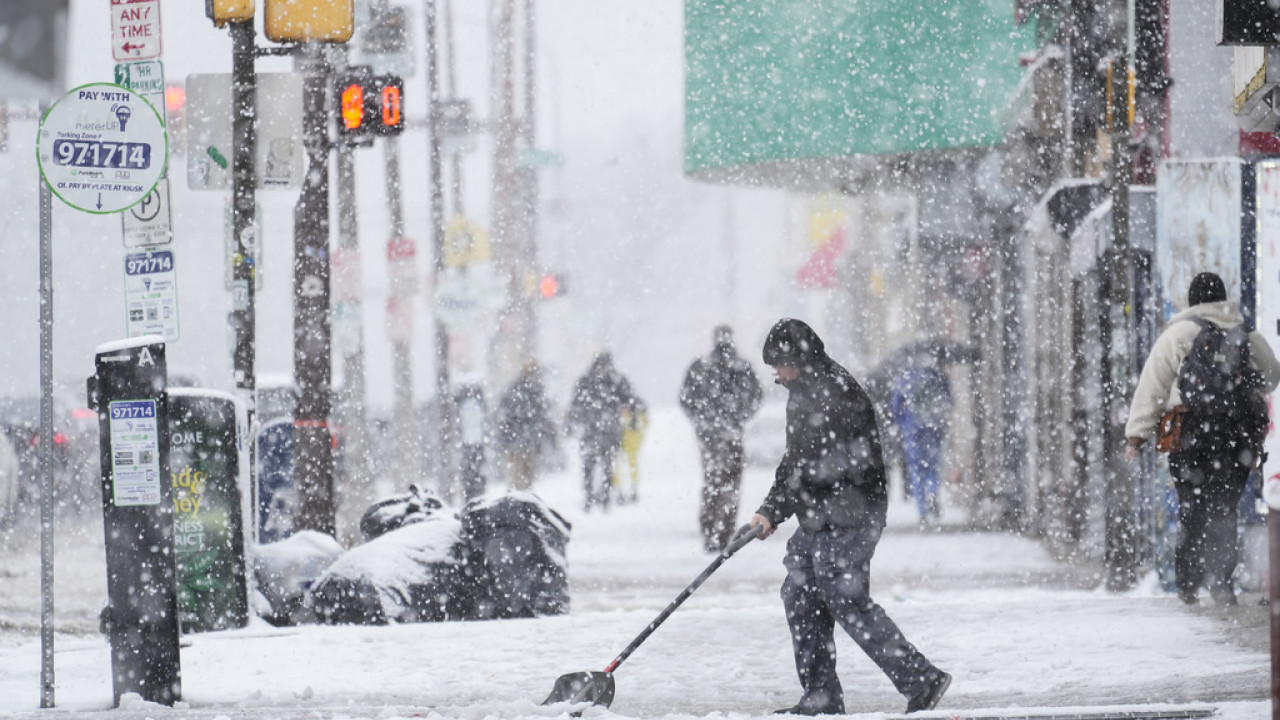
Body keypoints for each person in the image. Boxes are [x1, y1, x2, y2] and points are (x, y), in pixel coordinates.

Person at [749, 318, 951, 715]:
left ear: (797, 358)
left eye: (779, 363)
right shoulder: (807, 389)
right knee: (801, 595)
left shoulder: (831, 392)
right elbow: (796, 463)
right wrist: (771, 509)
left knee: (846, 599)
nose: (777, 372)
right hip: (821, 514)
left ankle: (921, 679)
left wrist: (774, 509)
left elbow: (814, 467)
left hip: (849, 514)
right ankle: (821, 696)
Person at [1125, 272, 1280, 606]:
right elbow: (1272, 378)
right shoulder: (1246, 335)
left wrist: (1136, 435)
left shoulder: (1179, 333)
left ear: (1193, 300)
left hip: (1189, 432)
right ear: (1223, 299)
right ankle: (1222, 583)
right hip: (1235, 435)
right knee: (1224, 509)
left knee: (1192, 506)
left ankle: (1188, 581)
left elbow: (1152, 385)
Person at [679, 325, 764, 552]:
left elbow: (685, 398)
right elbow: (756, 396)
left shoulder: (701, 366)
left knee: (712, 480)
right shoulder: (742, 367)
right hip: (731, 433)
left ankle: (710, 529)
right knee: (731, 483)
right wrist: (739, 417)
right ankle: (724, 531)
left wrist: (702, 420)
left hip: (710, 434)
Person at [565, 351, 637, 512]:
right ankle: (599, 497)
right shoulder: (615, 380)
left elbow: (575, 404)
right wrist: (631, 419)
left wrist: (571, 423)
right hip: (606, 429)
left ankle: (593, 496)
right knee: (604, 465)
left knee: (593, 465)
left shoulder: (587, 381)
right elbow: (630, 400)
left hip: (594, 430)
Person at [888, 350, 953, 526]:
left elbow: (895, 407)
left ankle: (922, 510)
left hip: (912, 432)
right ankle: (933, 491)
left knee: (917, 471)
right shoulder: (937, 377)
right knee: (933, 467)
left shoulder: (904, 379)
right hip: (934, 429)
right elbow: (949, 402)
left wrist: (904, 423)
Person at [494, 363, 558, 491]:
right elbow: (543, 419)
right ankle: (520, 505)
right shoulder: (524, 391)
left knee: (522, 479)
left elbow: (543, 419)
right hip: (522, 442)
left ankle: (520, 503)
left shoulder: (532, 391)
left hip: (525, 442)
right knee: (520, 479)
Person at [612, 397, 649, 504]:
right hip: (626, 444)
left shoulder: (634, 418)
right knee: (620, 467)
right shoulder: (633, 416)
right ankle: (622, 490)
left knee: (628, 466)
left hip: (630, 444)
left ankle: (629, 489)